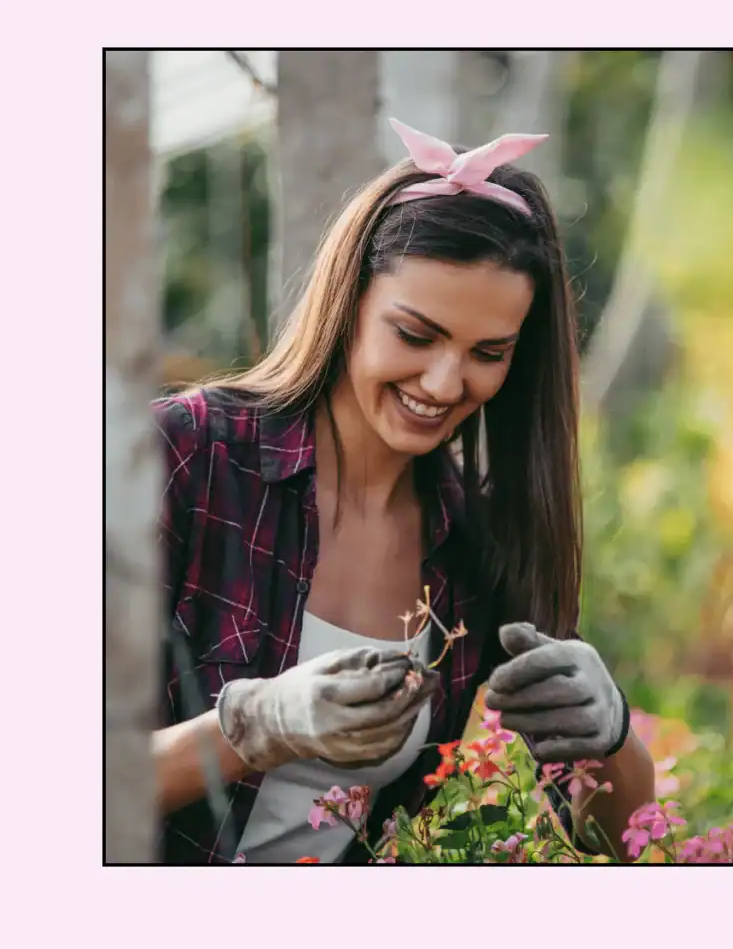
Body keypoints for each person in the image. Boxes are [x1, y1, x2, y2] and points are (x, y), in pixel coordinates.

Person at [152, 118, 656, 865]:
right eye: (415, 336)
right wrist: (253, 727)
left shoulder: (476, 542)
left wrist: (608, 732)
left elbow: (615, 838)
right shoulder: (185, 456)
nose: (446, 383)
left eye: (489, 353)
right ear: (348, 301)